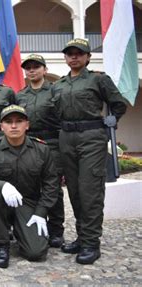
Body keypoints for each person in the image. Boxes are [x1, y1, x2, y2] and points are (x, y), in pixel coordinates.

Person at [53, 38, 127, 264]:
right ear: (66, 57)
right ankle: (81, 237)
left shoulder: (99, 79)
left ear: (87, 57)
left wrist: (112, 120)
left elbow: (118, 104)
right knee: (74, 190)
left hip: (92, 137)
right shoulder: (59, 85)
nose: (74, 57)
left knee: (90, 191)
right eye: (70, 53)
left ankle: (92, 243)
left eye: (79, 53)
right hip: (67, 138)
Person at [0, 105, 59, 268]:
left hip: (27, 203)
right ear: (1, 127)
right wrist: (2, 185)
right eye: (8, 122)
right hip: (0, 203)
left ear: (27, 125)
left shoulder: (41, 149)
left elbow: (51, 184)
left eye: (19, 121)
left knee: (36, 253)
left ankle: (21, 230)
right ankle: (1, 245)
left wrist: (41, 212)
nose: (13, 126)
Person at [15, 54, 65, 248]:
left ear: (45, 69)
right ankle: (26, 224)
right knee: (28, 183)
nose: (32, 70)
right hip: (28, 143)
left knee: (53, 188)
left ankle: (56, 230)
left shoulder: (55, 91)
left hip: (51, 142)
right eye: (28, 68)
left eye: (36, 67)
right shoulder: (20, 95)